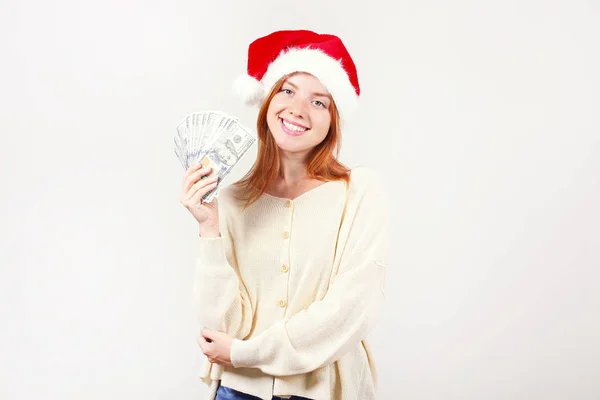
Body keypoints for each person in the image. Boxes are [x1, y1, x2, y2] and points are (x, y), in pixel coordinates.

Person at [179, 30, 389, 400]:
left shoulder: (359, 191)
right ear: (267, 102)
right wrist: (208, 226)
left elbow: (353, 307)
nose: (297, 109)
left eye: (319, 102)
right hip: (238, 390)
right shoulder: (230, 201)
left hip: (325, 391)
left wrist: (245, 353)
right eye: (287, 91)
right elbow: (223, 328)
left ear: (332, 122)